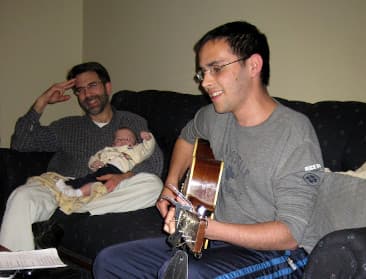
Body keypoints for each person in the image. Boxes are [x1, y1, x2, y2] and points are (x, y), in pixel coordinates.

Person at [93, 21, 324, 278]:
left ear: (253, 66)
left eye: (216, 69)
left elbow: (291, 235)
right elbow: (187, 137)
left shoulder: (294, 133)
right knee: (110, 261)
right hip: (215, 241)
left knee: (187, 273)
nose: (205, 82)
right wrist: (170, 184)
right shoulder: (216, 115)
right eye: (203, 72)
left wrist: (206, 228)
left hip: (278, 255)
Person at [0, 62, 164, 251]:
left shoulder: (132, 121)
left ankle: (69, 215)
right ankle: (12, 268)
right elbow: (21, 144)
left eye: (92, 86)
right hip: (61, 187)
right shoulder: (66, 126)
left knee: (153, 185)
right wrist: (41, 102)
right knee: (21, 196)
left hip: (103, 190)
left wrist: (123, 176)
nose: (87, 94)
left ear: (107, 87)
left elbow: (155, 161)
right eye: (80, 90)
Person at [55, 128, 156, 198]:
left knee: (95, 182)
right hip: (104, 169)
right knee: (91, 180)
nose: (122, 141)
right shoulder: (107, 150)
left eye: (127, 139)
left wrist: (148, 139)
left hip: (119, 172)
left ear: (136, 143)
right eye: (118, 139)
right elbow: (94, 157)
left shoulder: (135, 150)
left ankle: (75, 190)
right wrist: (94, 163)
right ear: (113, 143)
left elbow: (147, 149)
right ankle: (71, 187)